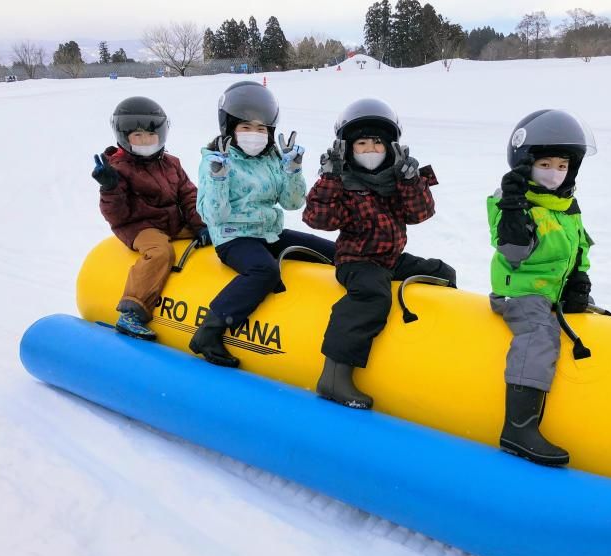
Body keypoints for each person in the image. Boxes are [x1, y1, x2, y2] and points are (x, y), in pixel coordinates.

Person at [303, 98, 456, 410]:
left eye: (377, 143)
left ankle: (439, 348)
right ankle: (334, 375)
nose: (371, 150)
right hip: (356, 260)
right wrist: (328, 180)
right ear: (347, 148)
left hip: (391, 258)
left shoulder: (395, 180)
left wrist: (412, 181)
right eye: (362, 143)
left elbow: (420, 214)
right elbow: (318, 219)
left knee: (442, 272)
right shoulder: (342, 183)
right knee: (373, 295)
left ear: (391, 147)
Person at [189, 81, 336, 368]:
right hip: (233, 236)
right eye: (246, 127)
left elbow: (292, 202)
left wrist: (292, 170)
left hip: (269, 232)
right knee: (264, 270)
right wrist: (219, 178)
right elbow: (213, 216)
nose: (254, 135)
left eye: (260, 129)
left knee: (330, 251)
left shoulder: (271, 158)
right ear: (230, 128)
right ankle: (209, 331)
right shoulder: (216, 161)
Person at [487, 109, 598, 467]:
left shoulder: (567, 204)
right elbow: (514, 251)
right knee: (538, 335)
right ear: (525, 164)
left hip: (554, 291)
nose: (555, 173)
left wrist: (580, 280)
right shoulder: (508, 202)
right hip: (521, 292)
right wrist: (514, 207)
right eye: (545, 164)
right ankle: (518, 427)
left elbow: (580, 245)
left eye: (562, 166)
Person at [92, 96, 210, 341]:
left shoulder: (171, 163)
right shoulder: (118, 169)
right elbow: (117, 214)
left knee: (219, 233)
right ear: (125, 137)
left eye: (150, 135)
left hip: (173, 223)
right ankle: (131, 312)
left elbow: (189, 195)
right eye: (138, 136)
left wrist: (202, 225)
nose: (146, 141)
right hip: (139, 225)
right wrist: (110, 188)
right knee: (160, 252)